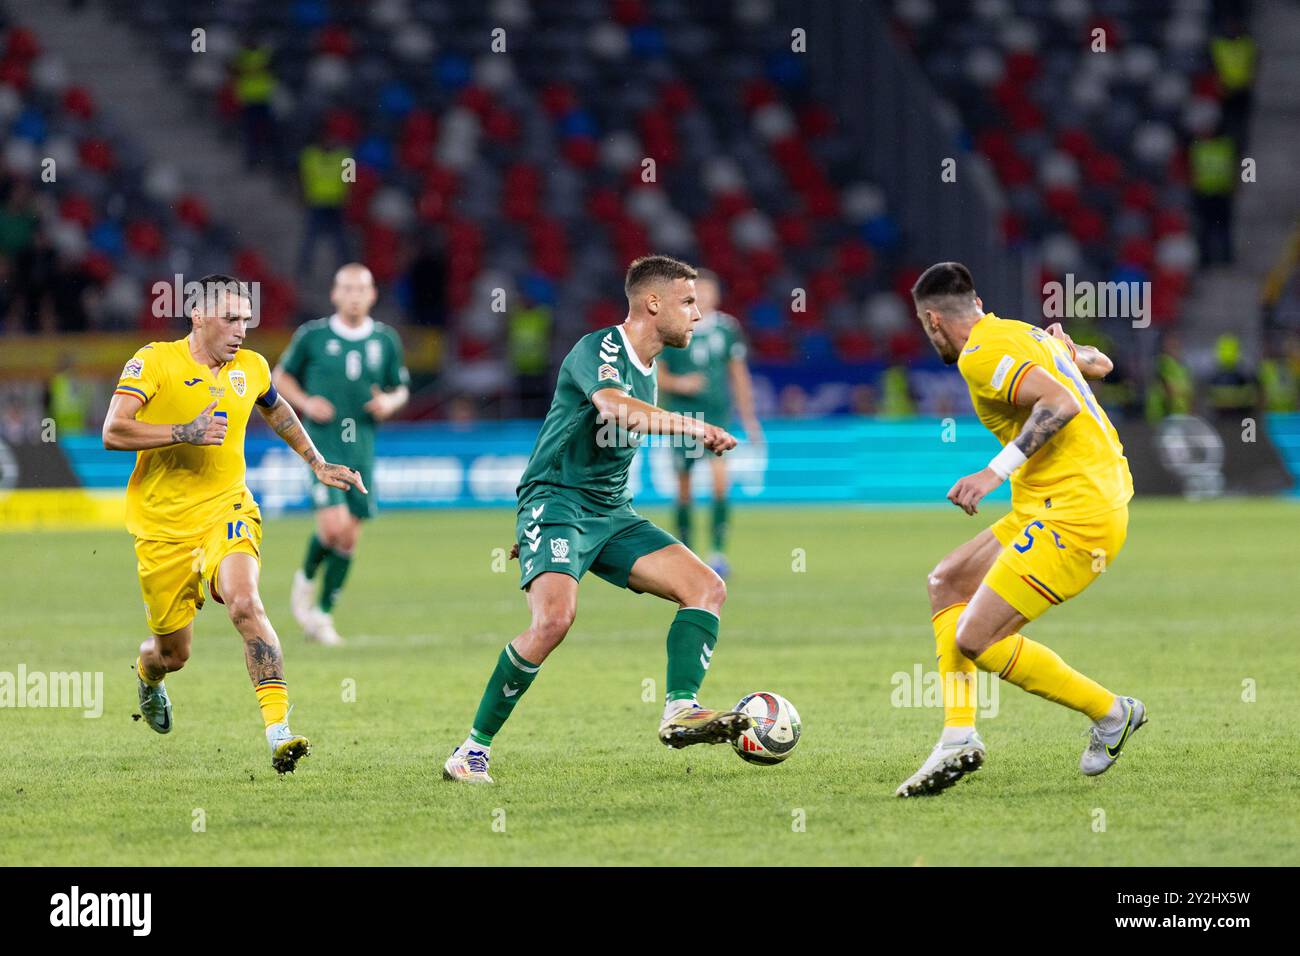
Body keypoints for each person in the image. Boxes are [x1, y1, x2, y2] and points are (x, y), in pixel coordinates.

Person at [442, 255, 748, 784]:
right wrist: (692, 428)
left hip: (610, 510)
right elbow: (614, 408)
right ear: (653, 304)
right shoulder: (603, 347)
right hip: (557, 502)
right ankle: (470, 751)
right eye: (689, 302)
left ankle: (679, 708)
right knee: (554, 621)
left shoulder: (651, 368)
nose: (698, 315)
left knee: (707, 587)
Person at [102, 274, 366, 772]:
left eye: (246, 318)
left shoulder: (252, 366)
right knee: (173, 652)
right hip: (163, 527)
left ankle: (278, 732)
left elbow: (276, 407)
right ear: (198, 316)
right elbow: (112, 431)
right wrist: (184, 431)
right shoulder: (155, 360)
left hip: (228, 509)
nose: (241, 328)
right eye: (230, 318)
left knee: (245, 602)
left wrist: (317, 461)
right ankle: (148, 674)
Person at [897, 262, 1142, 797]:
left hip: (1078, 513)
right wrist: (1068, 354)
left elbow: (1062, 401)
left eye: (922, 325)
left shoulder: (982, 354)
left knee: (977, 638)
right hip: (1052, 504)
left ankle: (1112, 712)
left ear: (934, 321)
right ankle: (958, 736)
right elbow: (1100, 363)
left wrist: (993, 472)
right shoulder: (1021, 332)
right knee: (947, 583)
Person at [274, 263, 409, 646]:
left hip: (362, 449)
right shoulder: (313, 336)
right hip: (321, 448)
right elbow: (279, 376)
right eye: (347, 288)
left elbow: (400, 387)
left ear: (372, 295)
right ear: (334, 294)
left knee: (348, 538)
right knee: (333, 527)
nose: (354, 295)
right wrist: (305, 402)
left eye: (361, 288)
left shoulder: (385, 341)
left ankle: (323, 616)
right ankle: (304, 579)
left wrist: (389, 402)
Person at [657, 270, 760, 577]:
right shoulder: (674, 327)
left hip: (717, 418)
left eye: (709, 291)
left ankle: (717, 553)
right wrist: (680, 384)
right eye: (697, 292)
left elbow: (738, 374)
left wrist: (749, 417)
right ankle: (685, 554)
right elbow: (657, 374)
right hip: (684, 420)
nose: (704, 297)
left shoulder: (728, 328)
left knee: (719, 485)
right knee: (685, 490)